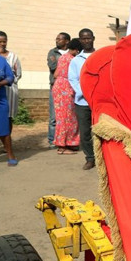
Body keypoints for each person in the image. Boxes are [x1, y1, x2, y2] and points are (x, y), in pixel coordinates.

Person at [68, 29, 96, 170]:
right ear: (80, 40)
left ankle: (105, 158)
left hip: (98, 101)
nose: (86, 41)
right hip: (82, 101)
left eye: (88, 38)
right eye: (83, 39)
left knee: (100, 131)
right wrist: (84, 92)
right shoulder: (76, 61)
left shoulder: (100, 56)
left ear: (93, 38)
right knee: (85, 132)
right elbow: (73, 79)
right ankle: (90, 158)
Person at [52, 39, 82, 154]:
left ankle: (68, 143)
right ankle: (62, 146)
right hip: (66, 88)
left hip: (58, 86)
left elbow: (55, 74)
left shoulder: (62, 57)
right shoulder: (73, 60)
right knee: (66, 117)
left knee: (62, 117)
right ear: (77, 49)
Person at [47, 32, 71, 146]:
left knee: (68, 115)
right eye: (56, 39)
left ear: (66, 41)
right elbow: (52, 67)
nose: (57, 41)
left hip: (69, 86)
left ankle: (66, 139)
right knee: (54, 116)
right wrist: (65, 61)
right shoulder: (53, 52)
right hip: (55, 85)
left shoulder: (73, 52)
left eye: (59, 39)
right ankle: (52, 140)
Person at [0, 54, 17, 166]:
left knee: (4, 128)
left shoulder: (1, 61)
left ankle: (10, 155)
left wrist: (0, 83)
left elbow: (10, 77)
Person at [0, 31, 21, 126]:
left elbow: (18, 74)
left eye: (4, 41)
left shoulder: (13, 57)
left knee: (8, 116)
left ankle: (7, 138)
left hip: (10, 90)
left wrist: (7, 81)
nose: (2, 44)